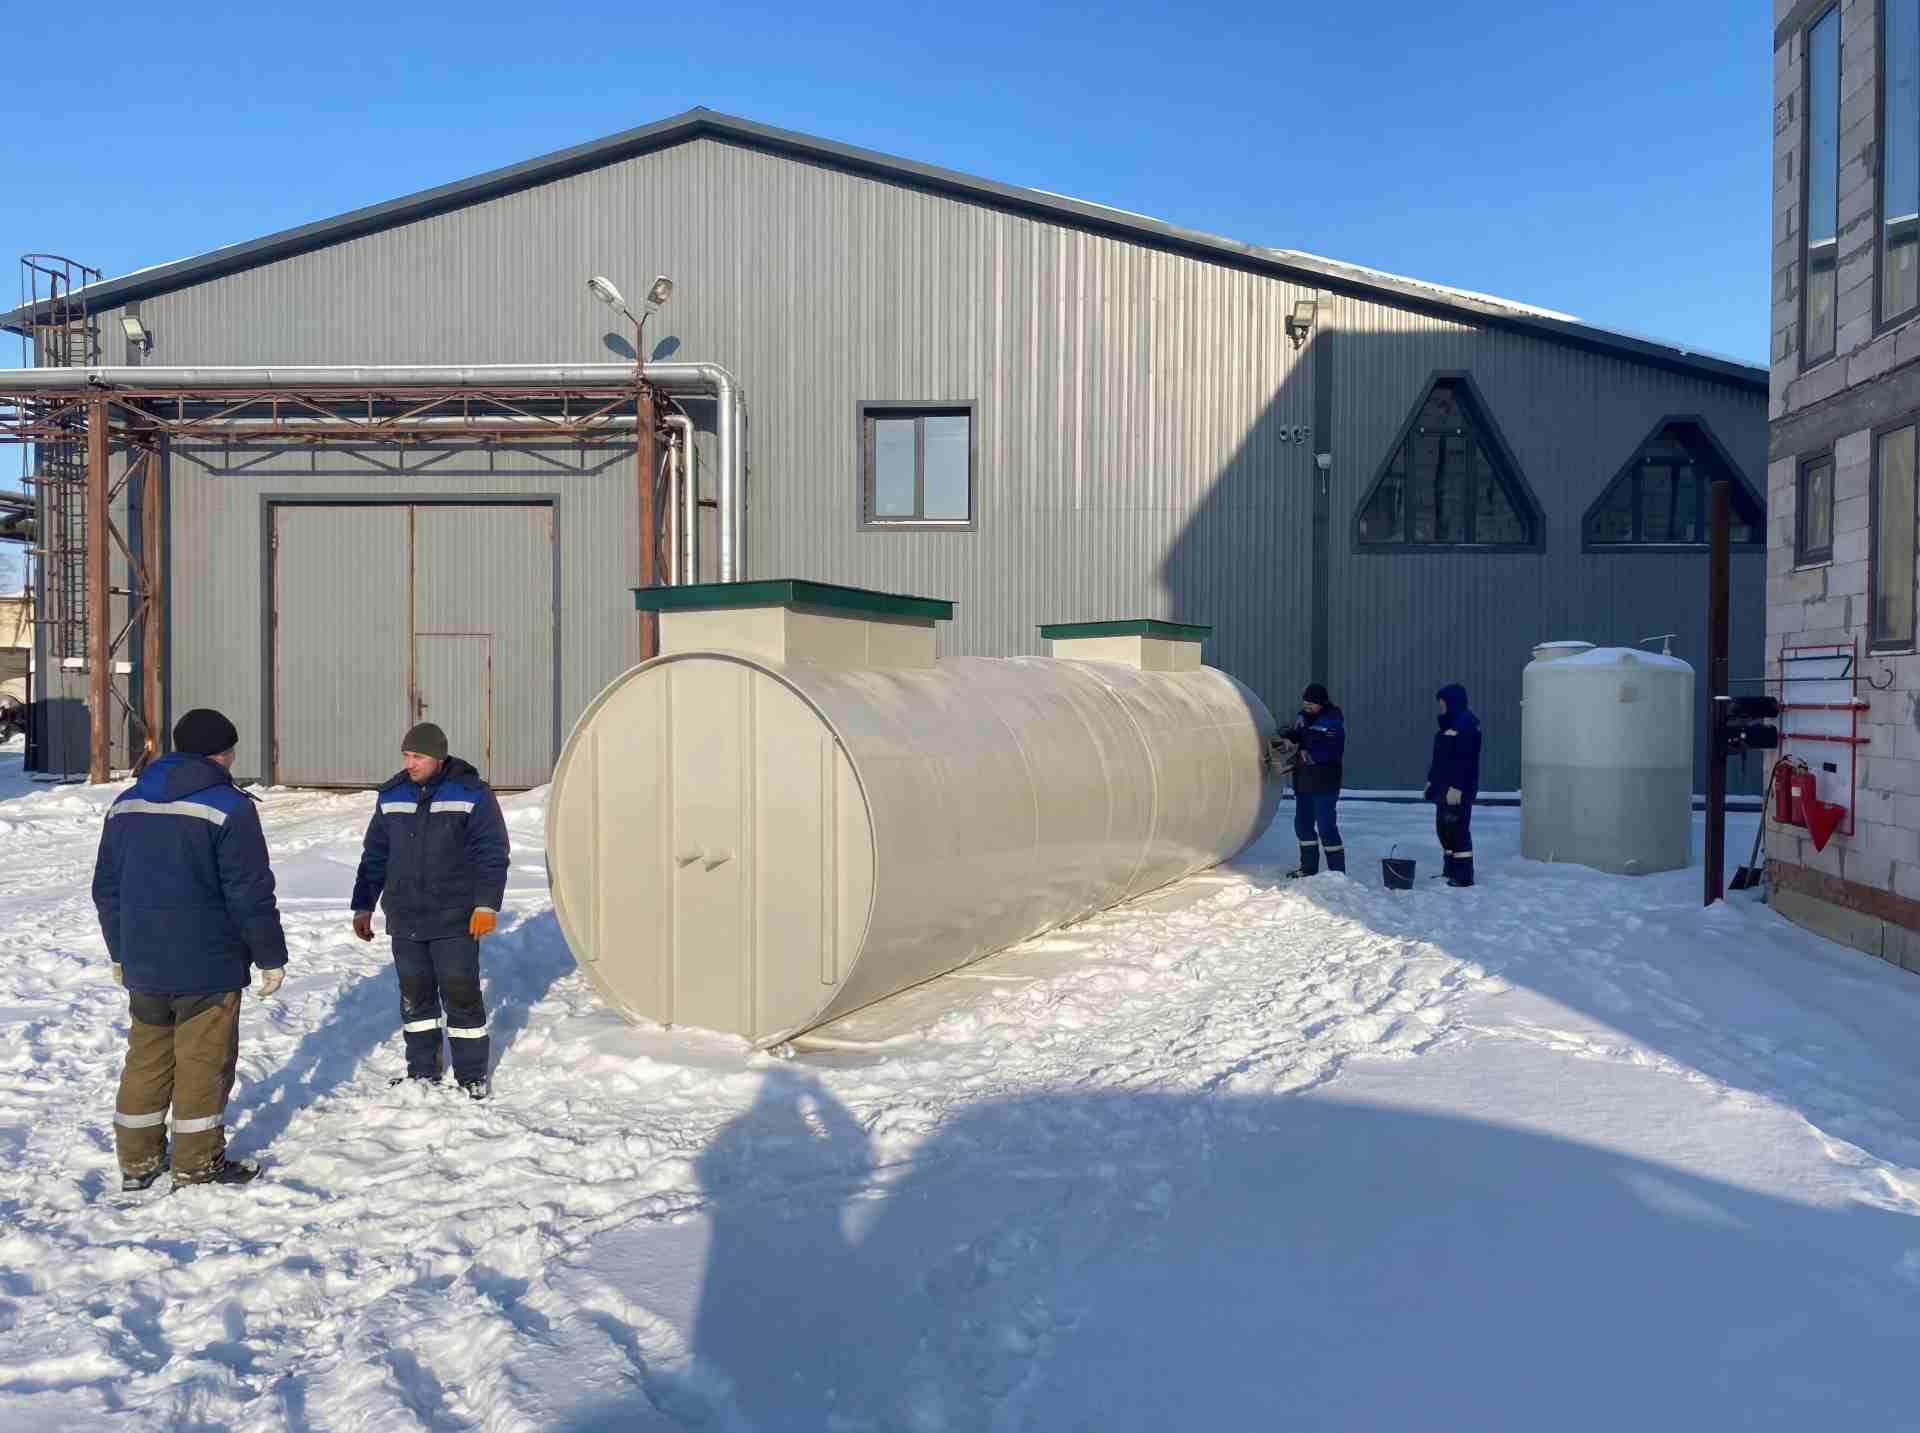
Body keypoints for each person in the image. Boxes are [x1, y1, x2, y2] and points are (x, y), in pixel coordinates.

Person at [92, 708, 287, 1190]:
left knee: (146, 1058)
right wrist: (270, 956)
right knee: (203, 1063)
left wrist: (120, 951)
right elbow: (249, 892)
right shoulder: (230, 807)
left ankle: (137, 1161)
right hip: (208, 965)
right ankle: (196, 1164)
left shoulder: (126, 803)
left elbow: (107, 889)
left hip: (144, 961)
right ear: (221, 753)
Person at [350, 722, 510, 1099]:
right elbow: (375, 856)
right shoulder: (392, 795)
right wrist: (363, 905)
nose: (410, 763)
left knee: (461, 996)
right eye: (406, 755)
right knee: (415, 998)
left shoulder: (471, 794)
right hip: (405, 917)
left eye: (418, 756)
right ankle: (422, 1071)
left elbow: (492, 854)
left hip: (455, 917)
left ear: (438, 757)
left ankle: (471, 1075)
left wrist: (486, 904)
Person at [1284, 682, 1346, 876]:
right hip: (1303, 783)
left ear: (1321, 703)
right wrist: (1287, 737)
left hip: (1324, 783)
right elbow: (1298, 736)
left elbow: (1331, 752)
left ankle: (1337, 874)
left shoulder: (1332, 722)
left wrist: (1303, 754)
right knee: (1303, 826)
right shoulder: (1302, 719)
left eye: (1311, 703)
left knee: (1326, 827)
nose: (1307, 706)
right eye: (1305, 703)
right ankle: (1308, 869)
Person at [1426, 683, 1482, 887]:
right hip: (1442, 787)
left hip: (1457, 789)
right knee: (1444, 830)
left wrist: (1457, 788)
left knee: (1458, 830)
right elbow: (1439, 760)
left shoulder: (1466, 726)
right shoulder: (1447, 727)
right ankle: (1450, 870)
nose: (1440, 707)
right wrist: (1431, 781)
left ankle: (1463, 876)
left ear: (1453, 702)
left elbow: (1466, 761)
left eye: (1443, 703)